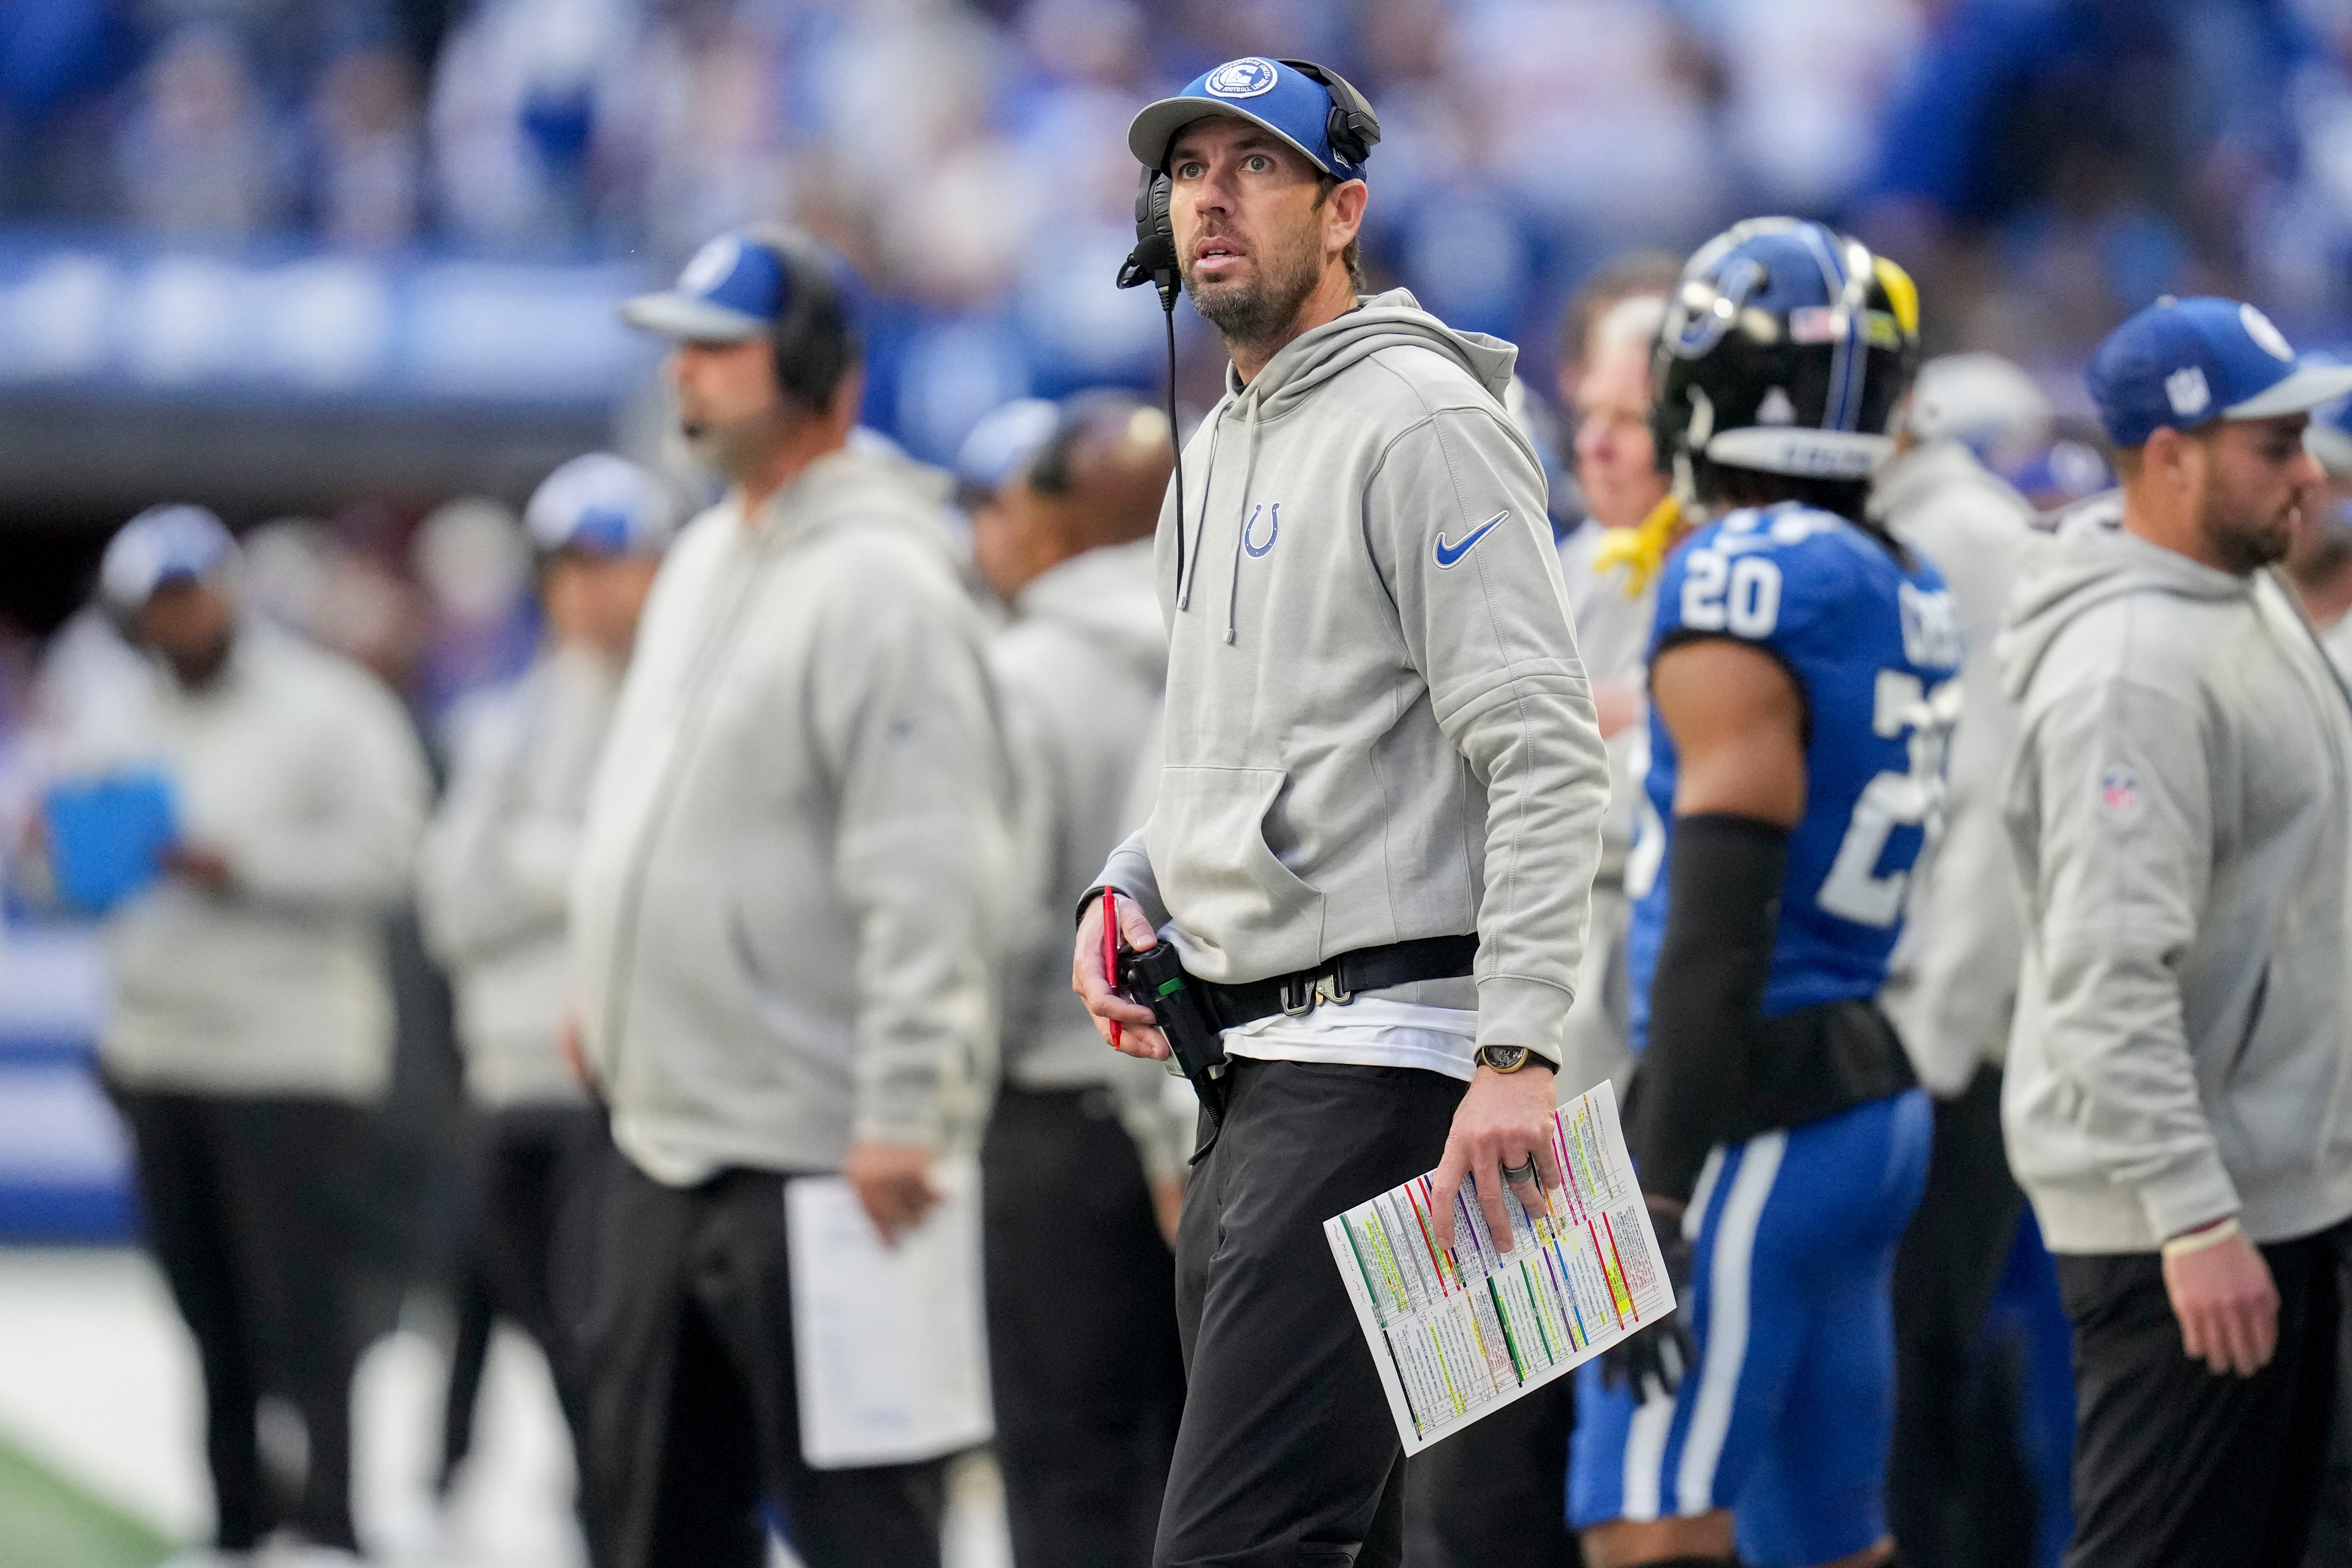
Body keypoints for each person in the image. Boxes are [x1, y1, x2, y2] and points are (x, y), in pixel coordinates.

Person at [1072, 56, 1610, 1566]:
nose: (1211, 196)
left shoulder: (1421, 419)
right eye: (1187, 171)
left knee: (1242, 1544)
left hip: (1385, 1069)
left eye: (1254, 166)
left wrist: (1515, 1052)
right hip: (1249, 1071)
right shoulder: (1217, 442)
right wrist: (1124, 887)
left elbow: (1545, 749)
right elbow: (1214, 749)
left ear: (1344, 208)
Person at [569, 227, 1013, 1568]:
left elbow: (930, 867)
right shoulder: (707, 553)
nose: (687, 380)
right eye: (681, 352)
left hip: (830, 1155)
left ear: (819, 370)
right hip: (667, 1135)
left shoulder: (885, 580)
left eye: (719, 351)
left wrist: (901, 1111)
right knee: (651, 1520)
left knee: (862, 1531)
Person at [1567, 218, 1955, 1568]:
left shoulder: (1743, 579)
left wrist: (1658, 1195)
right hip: (1863, 1087)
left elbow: (1721, 924)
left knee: (1644, 1523)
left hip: (1747, 1110)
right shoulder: (1899, 577)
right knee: (1825, 1535)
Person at [1998, 296, 2352, 1568]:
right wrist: (2195, 1218)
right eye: (2274, 444)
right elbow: (2104, 977)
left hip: (2271, 1190)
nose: (2308, 472)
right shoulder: (2132, 667)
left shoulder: (2230, 589)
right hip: (2183, 1224)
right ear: (2169, 456)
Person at [51, 505, 429, 1566]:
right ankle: (234, 1518)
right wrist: (54, 847)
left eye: (195, 593)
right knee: (202, 1306)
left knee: (307, 1305)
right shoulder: (115, 714)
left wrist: (244, 864)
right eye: (160, 603)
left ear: (229, 591)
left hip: (294, 1051)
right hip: (161, 1046)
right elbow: (78, 883)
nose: (183, 617)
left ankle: (331, 1518)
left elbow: (397, 857)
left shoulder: (330, 707)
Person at [1404, 266, 1675, 1568]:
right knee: (1478, 1495)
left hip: (1650, 1108)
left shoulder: (1743, 584)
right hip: (1514, 1102)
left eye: (1643, 411)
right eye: (1594, 409)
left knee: (1641, 1498)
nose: (1606, 439)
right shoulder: (1554, 571)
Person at [413, 452, 671, 1508]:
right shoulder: (516, 707)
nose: (589, 589)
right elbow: (448, 897)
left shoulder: (674, 701)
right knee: (557, 1349)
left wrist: (533, 859)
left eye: (612, 563)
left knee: (620, 1357)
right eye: (569, 567)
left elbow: (652, 873)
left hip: (617, 1083)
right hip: (509, 1072)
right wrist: (558, 863)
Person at [971, 390, 1190, 1568]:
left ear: (1054, 519)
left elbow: (997, 915)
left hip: (1054, 1105)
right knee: (1194, 1467)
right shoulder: (1239, 634)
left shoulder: (1017, 671)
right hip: (1207, 1103)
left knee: (1067, 1469)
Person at [1868, 353, 2055, 1568]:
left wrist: (1934, 1038)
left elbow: (1996, 802)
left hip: (1928, 1043)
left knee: (1911, 1387)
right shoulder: (1863, 528)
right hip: (1864, 1032)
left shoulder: (1964, 537)